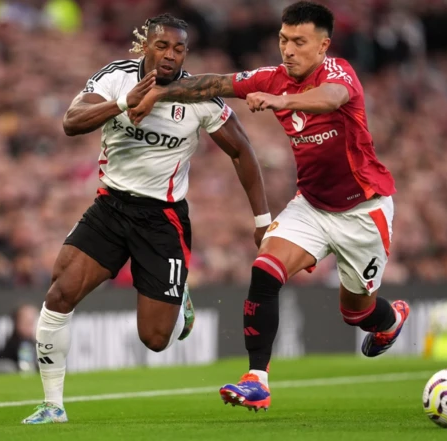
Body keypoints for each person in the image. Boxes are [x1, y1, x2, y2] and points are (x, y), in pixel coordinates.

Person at [130, 1, 410, 411]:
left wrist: (285, 102)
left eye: (299, 41)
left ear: (323, 46)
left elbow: (331, 98)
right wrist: (159, 91)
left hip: (363, 212)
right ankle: (256, 379)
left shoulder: (338, 73)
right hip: (312, 207)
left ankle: (390, 321)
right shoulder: (271, 77)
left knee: (357, 313)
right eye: (283, 39)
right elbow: (214, 84)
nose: (288, 49)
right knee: (264, 269)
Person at [22, 13, 270, 424]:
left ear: (185, 53)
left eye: (178, 48)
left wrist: (262, 219)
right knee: (59, 294)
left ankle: (178, 297)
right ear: (145, 46)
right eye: (162, 46)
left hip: (162, 219)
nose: (170, 55)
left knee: (154, 339)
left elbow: (242, 151)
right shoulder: (116, 78)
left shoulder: (199, 96)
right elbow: (70, 123)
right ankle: (53, 405)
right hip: (111, 206)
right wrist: (122, 103)